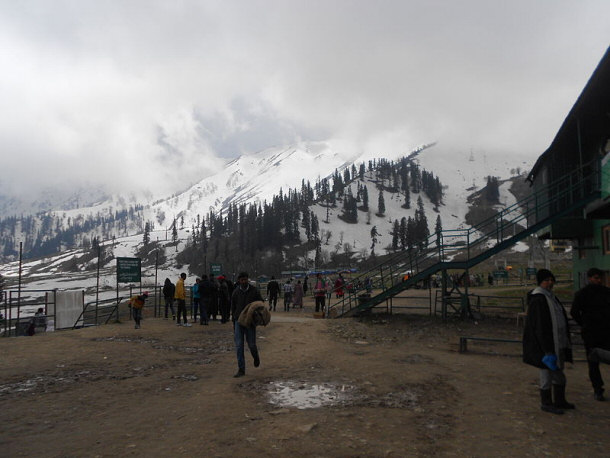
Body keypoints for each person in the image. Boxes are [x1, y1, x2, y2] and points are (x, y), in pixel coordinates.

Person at [523, 269, 574, 414]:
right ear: (540, 282)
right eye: (546, 280)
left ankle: (559, 400)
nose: (550, 283)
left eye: (552, 280)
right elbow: (539, 325)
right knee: (546, 372)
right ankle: (546, 402)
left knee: (558, 370)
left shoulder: (551, 297)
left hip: (559, 341)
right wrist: (546, 348)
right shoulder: (539, 299)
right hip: (547, 344)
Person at [570, 267, 610, 401]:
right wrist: (585, 325)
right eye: (596, 278)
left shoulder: (605, 292)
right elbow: (574, 312)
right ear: (590, 278)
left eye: (600, 278)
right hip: (593, 334)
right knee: (593, 363)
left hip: (602, 332)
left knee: (596, 361)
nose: (599, 281)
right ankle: (598, 389)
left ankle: (598, 389)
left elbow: (574, 313)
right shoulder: (583, 294)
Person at [230, 271, 264, 377]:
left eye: (245, 279)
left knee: (252, 345)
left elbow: (261, 303)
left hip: (250, 322)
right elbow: (233, 307)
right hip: (238, 321)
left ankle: (256, 356)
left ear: (247, 279)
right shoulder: (235, 292)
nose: (244, 281)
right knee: (239, 346)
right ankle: (241, 369)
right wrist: (234, 322)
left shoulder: (254, 291)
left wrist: (256, 314)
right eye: (242, 280)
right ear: (239, 281)